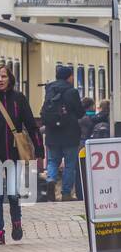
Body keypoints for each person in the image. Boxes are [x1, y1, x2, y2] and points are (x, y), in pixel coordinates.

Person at [0, 62, 43, 245]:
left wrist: (39, 149)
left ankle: (16, 222)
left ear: (10, 78)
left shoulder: (18, 99)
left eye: (3, 76)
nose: (0, 80)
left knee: (13, 193)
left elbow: (31, 125)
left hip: (13, 154)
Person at [40, 64, 85, 201]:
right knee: (70, 164)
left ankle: (50, 180)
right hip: (70, 134)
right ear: (69, 77)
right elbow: (79, 113)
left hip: (52, 133)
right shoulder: (72, 92)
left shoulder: (50, 89)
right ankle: (66, 194)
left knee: (53, 161)